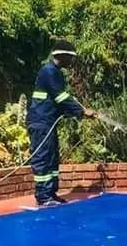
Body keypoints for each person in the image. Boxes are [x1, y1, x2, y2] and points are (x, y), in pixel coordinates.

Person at [27, 39, 96, 207]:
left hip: (48, 122)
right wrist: (82, 111)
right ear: (62, 56)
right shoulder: (49, 71)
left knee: (52, 157)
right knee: (43, 157)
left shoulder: (55, 72)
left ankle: (51, 193)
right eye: (70, 57)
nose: (71, 61)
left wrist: (78, 111)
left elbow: (59, 101)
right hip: (41, 123)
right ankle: (43, 196)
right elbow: (61, 98)